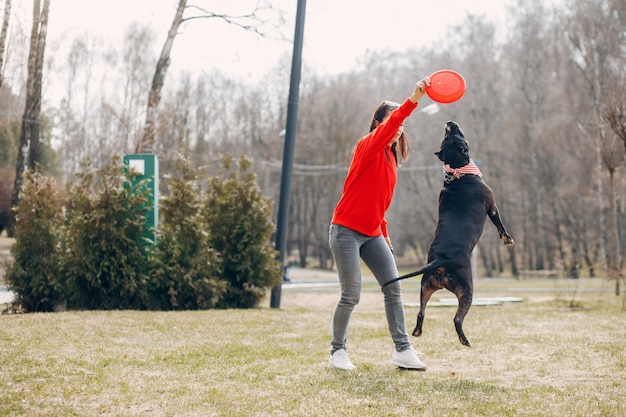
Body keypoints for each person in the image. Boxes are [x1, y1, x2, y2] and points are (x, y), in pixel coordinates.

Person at [328, 76, 430, 371]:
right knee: (351, 294)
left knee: (393, 287)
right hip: (345, 230)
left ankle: (402, 351)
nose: (398, 127)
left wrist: (383, 234)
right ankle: (337, 352)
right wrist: (414, 98)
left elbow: (379, 205)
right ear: (378, 125)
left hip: (372, 234)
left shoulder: (391, 160)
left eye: (401, 126)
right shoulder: (368, 147)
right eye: (391, 122)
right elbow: (393, 121)